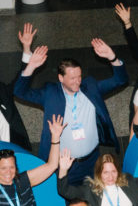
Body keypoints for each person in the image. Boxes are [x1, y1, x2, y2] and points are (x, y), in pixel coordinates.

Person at [14, 38, 126, 183]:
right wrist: (30, 67)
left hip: (92, 160)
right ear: (61, 78)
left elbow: (121, 80)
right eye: (72, 78)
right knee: (66, 201)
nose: (77, 81)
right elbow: (19, 92)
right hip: (64, 165)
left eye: (79, 76)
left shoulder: (90, 87)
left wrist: (113, 57)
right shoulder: (50, 94)